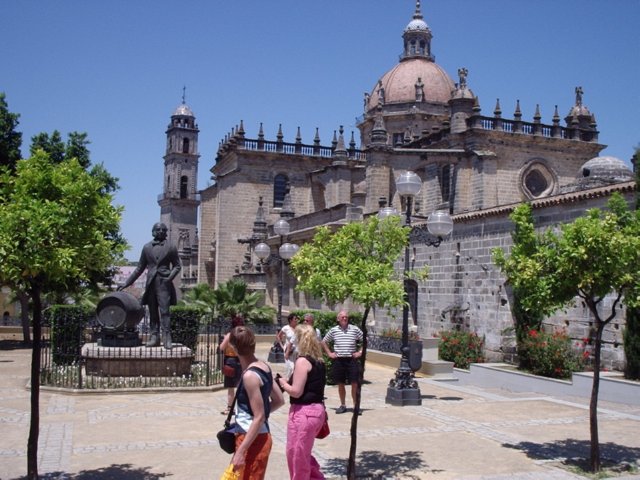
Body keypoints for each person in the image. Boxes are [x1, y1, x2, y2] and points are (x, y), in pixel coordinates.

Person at [229, 325, 284, 479]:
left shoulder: (250, 376)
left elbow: (259, 416)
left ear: (234, 348)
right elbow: (279, 400)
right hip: (257, 436)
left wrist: (240, 452)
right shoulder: (264, 367)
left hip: (252, 440)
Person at [118, 222, 181, 349]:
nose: (161, 232)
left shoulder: (171, 247)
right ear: (153, 232)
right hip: (151, 282)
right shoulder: (146, 247)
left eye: (164, 230)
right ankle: (154, 337)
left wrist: (169, 278)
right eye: (158, 230)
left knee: (165, 311)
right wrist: (126, 283)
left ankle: (167, 338)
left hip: (164, 283)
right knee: (152, 311)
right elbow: (139, 268)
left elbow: (177, 266)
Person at [276, 323, 327, 480]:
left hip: (303, 413)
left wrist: (283, 383)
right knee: (302, 453)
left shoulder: (302, 361)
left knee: (297, 455)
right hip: (317, 411)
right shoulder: (319, 361)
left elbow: (297, 391)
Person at [321, 310, 363, 414]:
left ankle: (355, 406)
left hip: (351, 359)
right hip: (339, 360)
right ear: (338, 319)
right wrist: (329, 353)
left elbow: (365, 340)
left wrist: (360, 352)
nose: (345, 318)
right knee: (341, 384)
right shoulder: (334, 330)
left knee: (355, 383)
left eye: (346, 317)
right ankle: (343, 405)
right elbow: (323, 342)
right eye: (343, 317)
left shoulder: (354, 329)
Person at [219, 315, 244, 415]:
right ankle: (242, 407)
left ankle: (230, 408)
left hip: (230, 360)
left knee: (230, 387)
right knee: (241, 386)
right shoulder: (243, 335)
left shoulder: (230, 335)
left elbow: (221, 348)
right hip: (241, 360)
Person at [277, 313, 298, 378]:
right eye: (295, 318)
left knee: (296, 368)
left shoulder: (298, 328)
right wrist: (282, 346)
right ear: (291, 320)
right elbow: (278, 336)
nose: (296, 320)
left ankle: (293, 382)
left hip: (297, 350)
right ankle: (287, 381)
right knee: (290, 367)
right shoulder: (286, 328)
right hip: (288, 351)